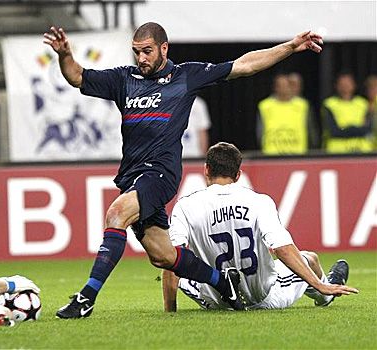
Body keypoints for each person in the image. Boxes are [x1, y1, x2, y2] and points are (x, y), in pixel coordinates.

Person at [43, 22, 326, 319]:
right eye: (137, 52)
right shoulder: (122, 79)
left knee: (116, 214)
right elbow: (77, 77)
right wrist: (65, 55)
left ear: (164, 48)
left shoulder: (186, 76)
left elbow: (244, 65)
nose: (141, 58)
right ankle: (221, 280)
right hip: (132, 175)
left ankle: (86, 297)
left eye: (148, 51)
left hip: (161, 173)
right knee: (163, 255)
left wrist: (290, 46)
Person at [163, 142, 358, 311]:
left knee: (184, 270)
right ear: (238, 174)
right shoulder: (258, 201)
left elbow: (172, 260)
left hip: (214, 301)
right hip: (262, 298)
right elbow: (282, 249)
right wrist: (318, 285)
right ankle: (325, 293)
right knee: (310, 258)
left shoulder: (185, 206)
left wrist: (170, 312)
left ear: (206, 169)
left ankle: (222, 289)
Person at [256, 73, 318, 154]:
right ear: (275, 87)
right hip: (271, 155)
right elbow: (260, 133)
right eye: (280, 85)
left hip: (298, 155)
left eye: (286, 85)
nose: (284, 88)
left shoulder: (303, 105)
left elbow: (311, 132)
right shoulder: (265, 106)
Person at [321, 73, 373, 153]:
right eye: (342, 84)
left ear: (354, 85)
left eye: (348, 83)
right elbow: (334, 131)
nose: (345, 87)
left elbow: (367, 130)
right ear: (336, 86)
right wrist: (356, 129)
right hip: (337, 152)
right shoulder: (329, 104)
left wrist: (346, 129)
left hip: (362, 151)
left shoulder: (363, 104)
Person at [364, 75, 377, 150]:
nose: (371, 91)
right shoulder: (363, 104)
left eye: (374, 87)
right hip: (369, 147)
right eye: (369, 88)